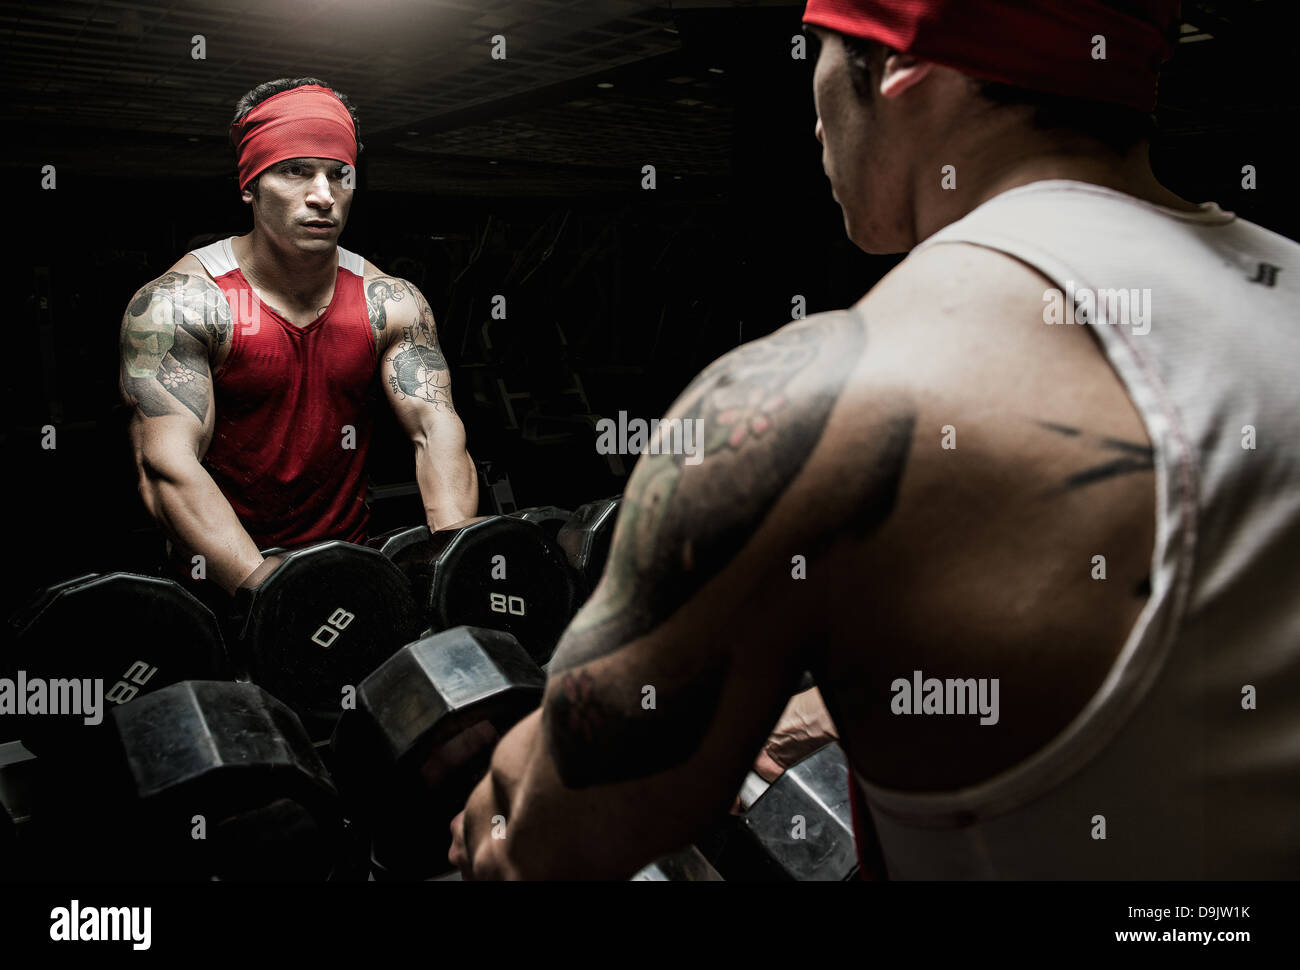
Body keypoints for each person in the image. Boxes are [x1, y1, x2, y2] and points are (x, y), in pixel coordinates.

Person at [451, 0, 1300, 879]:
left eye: (816, 53)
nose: (814, 109)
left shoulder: (813, 398)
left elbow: (538, 838)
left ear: (894, 66)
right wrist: (841, 697)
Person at [118, 78, 476, 595]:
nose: (323, 196)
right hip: (223, 577)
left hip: (350, 563)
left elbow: (436, 431)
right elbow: (167, 469)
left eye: (340, 175)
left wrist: (452, 559)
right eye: (295, 171)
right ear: (249, 185)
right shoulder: (181, 304)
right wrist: (265, 589)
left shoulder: (391, 302)